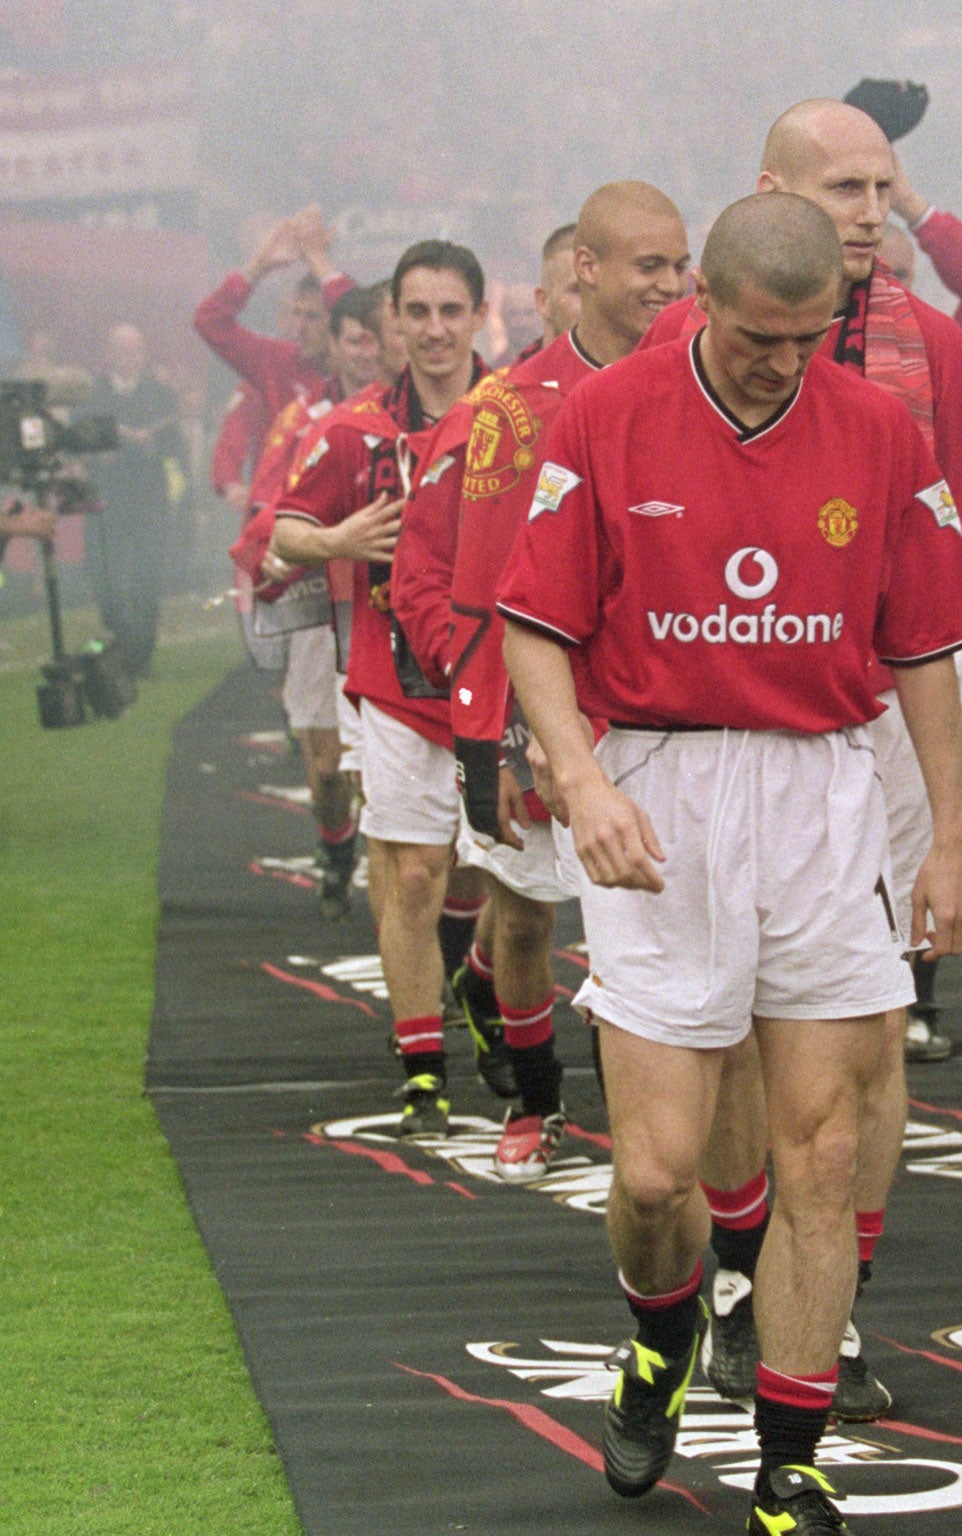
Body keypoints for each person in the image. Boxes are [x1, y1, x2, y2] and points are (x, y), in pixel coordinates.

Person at [499, 191, 962, 1536]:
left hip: (822, 792)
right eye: (763, 336)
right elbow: (532, 625)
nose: (785, 363)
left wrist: (944, 834)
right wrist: (582, 779)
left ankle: (792, 1454)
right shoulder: (605, 416)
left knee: (821, 1155)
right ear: (700, 298)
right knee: (656, 1175)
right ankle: (658, 1338)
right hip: (660, 789)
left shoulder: (878, 432)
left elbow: (923, 649)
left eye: (810, 338)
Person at [640, 98, 962, 1420]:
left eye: (885, 187)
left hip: (882, 717)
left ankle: (832, 1309)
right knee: (744, 1044)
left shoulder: (935, 349)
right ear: (774, 194)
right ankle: (748, 1270)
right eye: (846, 187)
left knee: (863, 1047)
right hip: (721, 721)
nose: (872, 211)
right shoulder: (676, 347)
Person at [392, 184, 692, 1179]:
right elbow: (479, 588)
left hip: (661, 713)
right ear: (580, 279)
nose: (668, 284)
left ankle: (656, 1120)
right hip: (538, 716)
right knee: (523, 913)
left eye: (676, 264)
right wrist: (491, 737)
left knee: (648, 924)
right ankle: (537, 1100)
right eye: (645, 266)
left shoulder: (704, 381)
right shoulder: (509, 410)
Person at [272, 241, 492, 1138]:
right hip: (391, 682)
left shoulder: (519, 416)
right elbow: (284, 530)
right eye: (418, 313)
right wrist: (339, 541)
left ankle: (482, 986)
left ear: (479, 315)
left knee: (495, 881)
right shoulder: (353, 427)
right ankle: (423, 1070)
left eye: (451, 312)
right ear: (392, 322)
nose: (435, 331)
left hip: (495, 681)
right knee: (410, 873)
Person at [236, 282, 400, 917]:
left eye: (374, 338)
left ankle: (412, 905)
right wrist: (275, 550)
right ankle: (336, 849)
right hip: (319, 604)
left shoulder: (446, 409)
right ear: (332, 347)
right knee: (328, 769)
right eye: (354, 340)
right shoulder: (309, 420)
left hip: (393, 613)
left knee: (382, 774)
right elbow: (267, 506)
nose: (366, 351)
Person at [194, 206, 354, 501]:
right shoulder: (275, 361)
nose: (299, 327)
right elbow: (209, 322)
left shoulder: (367, 370)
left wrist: (320, 262)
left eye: (312, 317)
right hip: (279, 525)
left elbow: (360, 317)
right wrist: (258, 267)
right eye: (295, 315)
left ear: (335, 322)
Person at [79, 325, 180, 675]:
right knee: (106, 581)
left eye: (134, 351)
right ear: (109, 355)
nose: (128, 359)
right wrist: (103, 450)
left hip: (148, 499)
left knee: (145, 578)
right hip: (106, 501)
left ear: (143, 354)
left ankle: (140, 656)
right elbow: (80, 440)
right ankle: (121, 638)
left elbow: (175, 444)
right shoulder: (92, 396)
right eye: (121, 352)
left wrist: (154, 444)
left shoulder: (161, 395)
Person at [880, 152, 962, 328]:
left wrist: (910, 204)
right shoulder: (831, 344)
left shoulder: (932, 350)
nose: (892, 287)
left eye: (900, 275)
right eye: (875, 275)